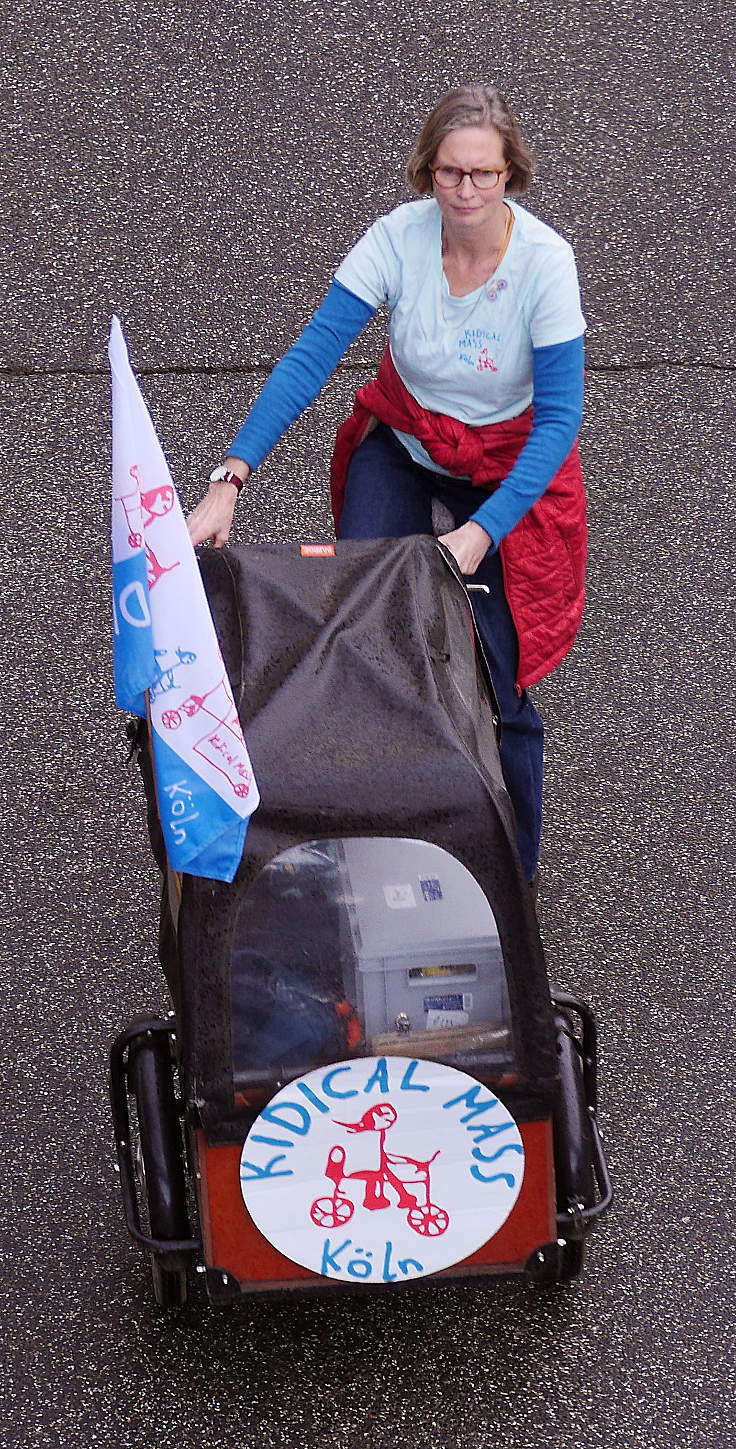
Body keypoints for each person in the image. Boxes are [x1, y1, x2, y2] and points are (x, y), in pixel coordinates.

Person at [187, 84, 587, 888]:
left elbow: (558, 423)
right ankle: (379, 845)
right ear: (426, 174)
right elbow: (312, 356)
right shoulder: (398, 240)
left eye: (483, 174)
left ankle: (517, 878)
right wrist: (230, 476)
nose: (465, 192)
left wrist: (482, 532)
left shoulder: (545, 265)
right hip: (406, 442)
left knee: (502, 684)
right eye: (448, 174)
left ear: (512, 175)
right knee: (365, 631)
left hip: (507, 465)